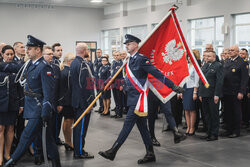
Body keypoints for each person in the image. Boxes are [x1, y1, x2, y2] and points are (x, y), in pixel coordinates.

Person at [98, 34, 184, 164]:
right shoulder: (128, 59)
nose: (126, 46)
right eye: (126, 44)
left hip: (139, 100)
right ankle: (150, 153)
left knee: (127, 125)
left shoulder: (141, 60)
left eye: (129, 43)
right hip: (132, 97)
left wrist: (173, 86)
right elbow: (116, 75)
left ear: (136, 45)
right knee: (143, 128)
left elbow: (157, 73)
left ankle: (113, 151)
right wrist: (105, 84)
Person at [4, 35, 61, 167]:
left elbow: (48, 92)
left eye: (30, 48)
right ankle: (57, 165)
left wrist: (46, 110)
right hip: (32, 106)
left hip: (39, 108)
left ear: (38, 50)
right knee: (48, 141)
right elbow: (14, 69)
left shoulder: (44, 67)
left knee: (26, 136)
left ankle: (11, 162)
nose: (27, 51)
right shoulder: (29, 64)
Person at [70, 43, 94, 159]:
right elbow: (84, 85)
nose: (88, 51)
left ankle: (78, 150)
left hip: (76, 100)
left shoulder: (74, 62)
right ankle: (79, 152)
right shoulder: (82, 64)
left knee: (78, 126)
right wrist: (90, 102)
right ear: (84, 50)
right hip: (83, 102)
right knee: (81, 128)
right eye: (87, 50)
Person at [0, 45, 23, 167]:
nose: (9, 56)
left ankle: (7, 154)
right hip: (1, 103)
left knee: (10, 129)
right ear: (2, 54)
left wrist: (21, 104)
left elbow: (20, 87)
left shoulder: (17, 67)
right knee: (0, 129)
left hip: (13, 102)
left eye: (11, 54)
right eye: (7, 54)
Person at [222, 45, 249, 138]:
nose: (230, 51)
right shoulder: (227, 61)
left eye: (232, 50)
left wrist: (241, 91)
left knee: (236, 112)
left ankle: (236, 131)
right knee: (228, 112)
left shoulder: (242, 62)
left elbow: (244, 79)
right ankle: (229, 130)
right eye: (229, 50)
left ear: (237, 52)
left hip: (236, 91)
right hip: (226, 91)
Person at [199, 51, 224, 141]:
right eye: (206, 56)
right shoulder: (205, 65)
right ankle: (209, 132)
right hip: (204, 94)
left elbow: (219, 81)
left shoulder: (218, 66)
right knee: (207, 115)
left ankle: (214, 134)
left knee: (214, 115)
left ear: (214, 57)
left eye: (209, 56)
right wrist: (200, 93)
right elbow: (201, 81)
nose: (207, 57)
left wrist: (217, 94)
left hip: (213, 94)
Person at [58, 53, 75, 151]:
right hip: (67, 101)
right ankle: (68, 142)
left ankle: (68, 141)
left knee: (68, 121)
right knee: (68, 121)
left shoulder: (65, 70)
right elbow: (63, 89)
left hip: (66, 100)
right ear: (69, 61)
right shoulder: (66, 72)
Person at [181, 54, 199, 136]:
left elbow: (196, 80)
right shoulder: (186, 66)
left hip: (192, 89)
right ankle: (188, 126)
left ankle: (192, 127)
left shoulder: (196, 67)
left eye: (190, 56)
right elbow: (182, 78)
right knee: (186, 109)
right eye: (188, 56)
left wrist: (195, 92)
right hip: (185, 88)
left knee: (192, 109)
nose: (189, 58)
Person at [51, 43, 64, 145]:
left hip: (59, 97)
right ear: (53, 52)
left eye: (61, 50)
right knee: (55, 121)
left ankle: (56, 137)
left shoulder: (59, 62)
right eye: (58, 50)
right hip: (55, 98)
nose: (60, 52)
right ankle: (54, 138)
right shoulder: (54, 63)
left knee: (58, 120)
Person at [110, 51, 123, 118]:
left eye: (117, 55)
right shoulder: (113, 63)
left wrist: (122, 84)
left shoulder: (122, 63)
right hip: (113, 83)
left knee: (119, 99)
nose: (116, 56)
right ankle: (117, 111)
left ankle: (119, 113)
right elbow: (112, 73)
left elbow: (123, 75)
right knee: (115, 98)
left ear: (120, 56)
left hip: (119, 83)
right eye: (114, 55)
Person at [94, 49, 104, 113]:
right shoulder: (95, 60)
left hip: (101, 80)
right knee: (98, 94)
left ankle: (103, 107)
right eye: (97, 52)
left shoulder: (103, 60)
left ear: (101, 53)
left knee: (102, 94)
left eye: (99, 52)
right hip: (96, 79)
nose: (98, 54)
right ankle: (100, 107)